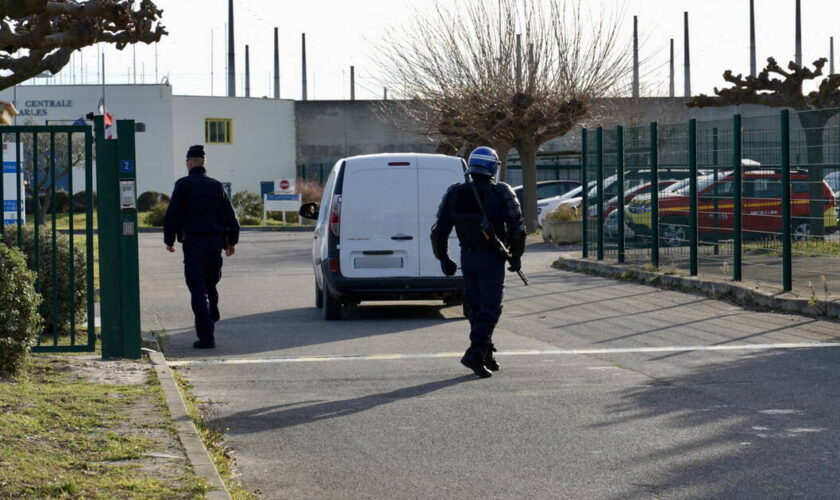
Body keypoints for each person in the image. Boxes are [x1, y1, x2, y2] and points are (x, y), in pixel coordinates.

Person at [431, 146, 526, 378]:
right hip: (492, 256)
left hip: (467, 257)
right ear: (493, 166)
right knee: (490, 307)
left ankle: (485, 353)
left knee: (475, 307)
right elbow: (519, 230)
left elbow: (438, 231)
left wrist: (444, 258)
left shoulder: (454, 193)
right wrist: (516, 257)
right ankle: (475, 352)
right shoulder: (501, 191)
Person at [164, 145, 240, 349]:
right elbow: (231, 217)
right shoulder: (217, 186)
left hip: (193, 243)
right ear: (204, 163)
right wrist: (231, 242)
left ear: (189, 163)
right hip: (215, 244)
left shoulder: (183, 185)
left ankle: (206, 336)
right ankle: (211, 316)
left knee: (197, 289)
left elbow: (173, 214)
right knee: (210, 285)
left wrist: (169, 240)